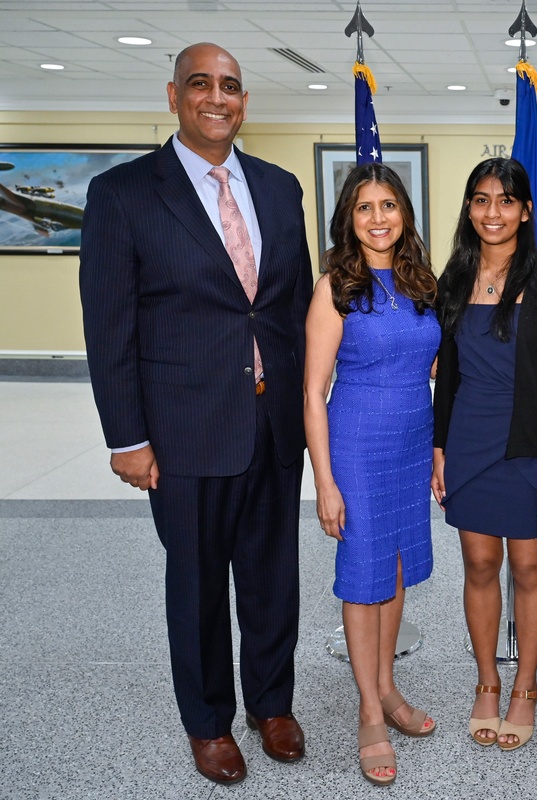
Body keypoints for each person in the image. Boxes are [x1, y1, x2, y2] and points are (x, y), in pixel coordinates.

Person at [79, 43, 311, 785]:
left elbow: (295, 307)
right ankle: (208, 722)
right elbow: (108, 323)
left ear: (245, 101)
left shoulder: (278, 189)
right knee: (200, 584)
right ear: (174, 94)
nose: (219, 97)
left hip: (273, 427)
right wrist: (128, 437)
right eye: (202, 84)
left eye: (232, 86)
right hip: (184, 431)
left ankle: (271, 704)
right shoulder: (123, 194)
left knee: (274, 577)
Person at [432, 157, 537, 752]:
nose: (493, 212)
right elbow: (447, 380)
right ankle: (487, 682)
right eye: (481, 199)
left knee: (527, 567)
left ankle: (526, 685)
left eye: (506, 200)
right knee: (478, 567)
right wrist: (440, 448)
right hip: (469, 442)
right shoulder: (452, 278)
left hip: (531, 446)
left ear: (525, 209)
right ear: (469, 208)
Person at [303, 162, 440, 786]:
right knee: (364, 576)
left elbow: (432, 363)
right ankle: (368, 712)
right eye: (365, 207)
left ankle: (387, 686)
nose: (379, 217)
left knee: (398, 566)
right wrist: (324, 482)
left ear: (404, 213)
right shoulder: (335, 285)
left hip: (412, 444)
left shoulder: (420, 280)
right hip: (356, 444)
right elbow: (312, 392)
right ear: (348, 218)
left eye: (389, 205)